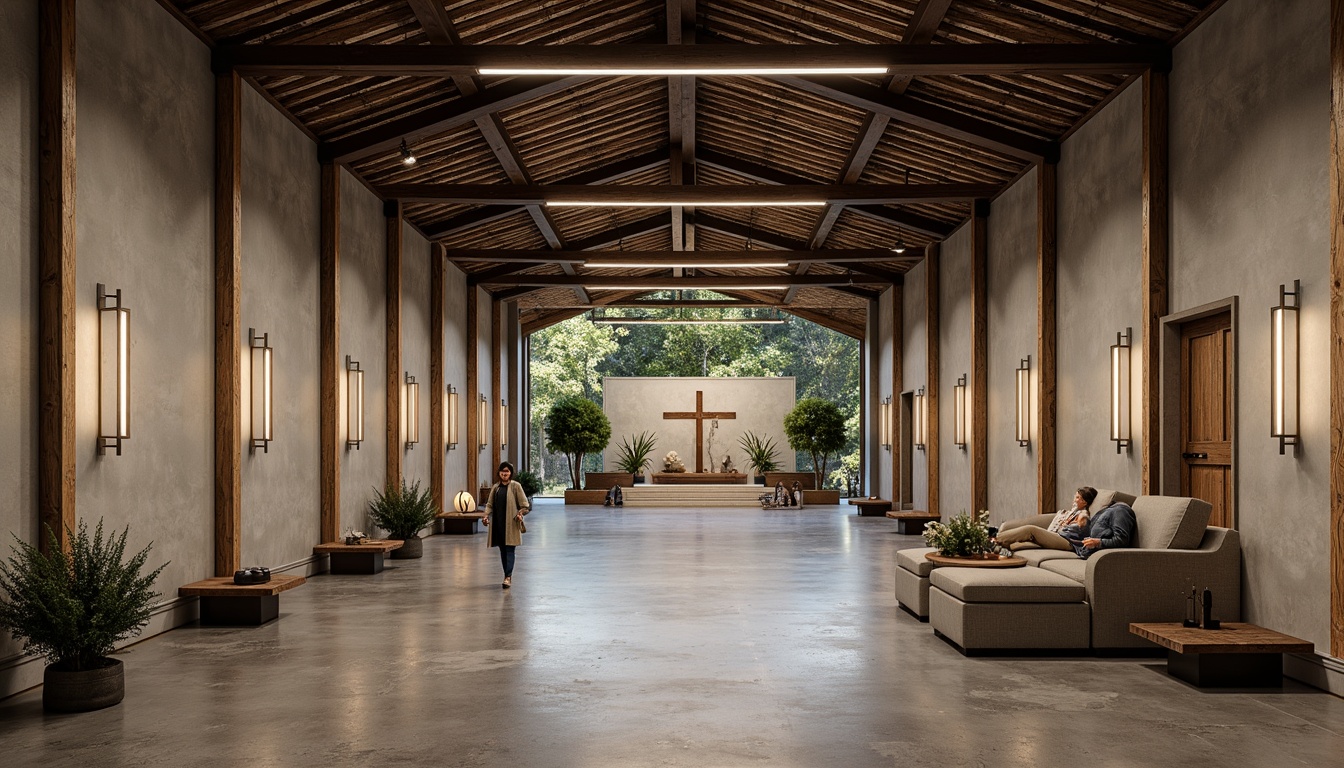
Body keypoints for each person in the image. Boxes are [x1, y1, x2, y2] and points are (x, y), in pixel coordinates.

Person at [995, 486, 1097, 552]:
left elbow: (1082, 523)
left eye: (1078, 498)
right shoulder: (1068, 512)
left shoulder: (1083, 514)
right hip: (1056, 535)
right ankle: (996, 547)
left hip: (1067, 541)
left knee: (1030, 530)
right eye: (1076, 496)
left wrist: (1076, 523)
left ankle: (993, 540)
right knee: (1014, 542)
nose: (1075, 500)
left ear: (1085, 502)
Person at [482, 461, 529, 588]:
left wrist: (521, 513)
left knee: (509, 550)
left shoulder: (515, 486)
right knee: (503, 550)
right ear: (499, 473)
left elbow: (525, 505)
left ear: (511, 473)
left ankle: (508, 576)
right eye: (502, 471)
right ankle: (506, 574)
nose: (504, 473)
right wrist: (486, 515)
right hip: (498, 524)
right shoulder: (496, 487)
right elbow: (490, 504)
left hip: (511, 524)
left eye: (507, 471)